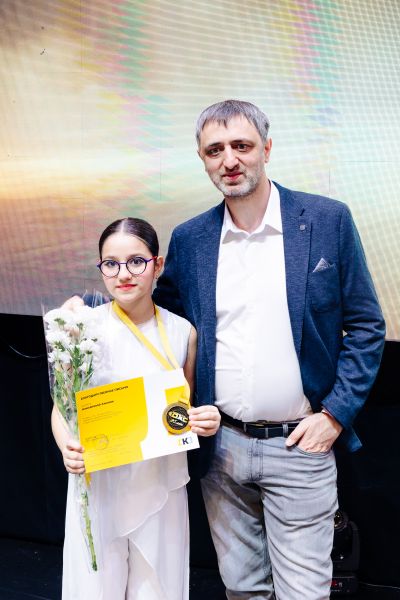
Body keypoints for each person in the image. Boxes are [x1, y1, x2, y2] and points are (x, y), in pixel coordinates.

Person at [153, 99, 386, 600]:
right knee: (242, 590)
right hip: (220, 451)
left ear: (267, 148)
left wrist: (335, 415)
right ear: (202, 159)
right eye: (215, 150)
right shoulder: (191, 239)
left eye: (242, 145)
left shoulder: (326, 220)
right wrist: (93, 313)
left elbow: (367, 326)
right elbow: (162, 324)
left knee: (303, 593)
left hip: (299, 445)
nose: (229, 160)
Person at [51, 217, 220, 600]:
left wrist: (203, 420)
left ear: (157, 265)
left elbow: (183, 412)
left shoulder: (182, 332)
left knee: (158, 590)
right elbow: (61, 409)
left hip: (160, 483)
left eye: (136, 262)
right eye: (111, 264)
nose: (124, 274)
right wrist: (66, 447)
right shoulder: (81, 329)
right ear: (101, 268)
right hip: (99, 483)